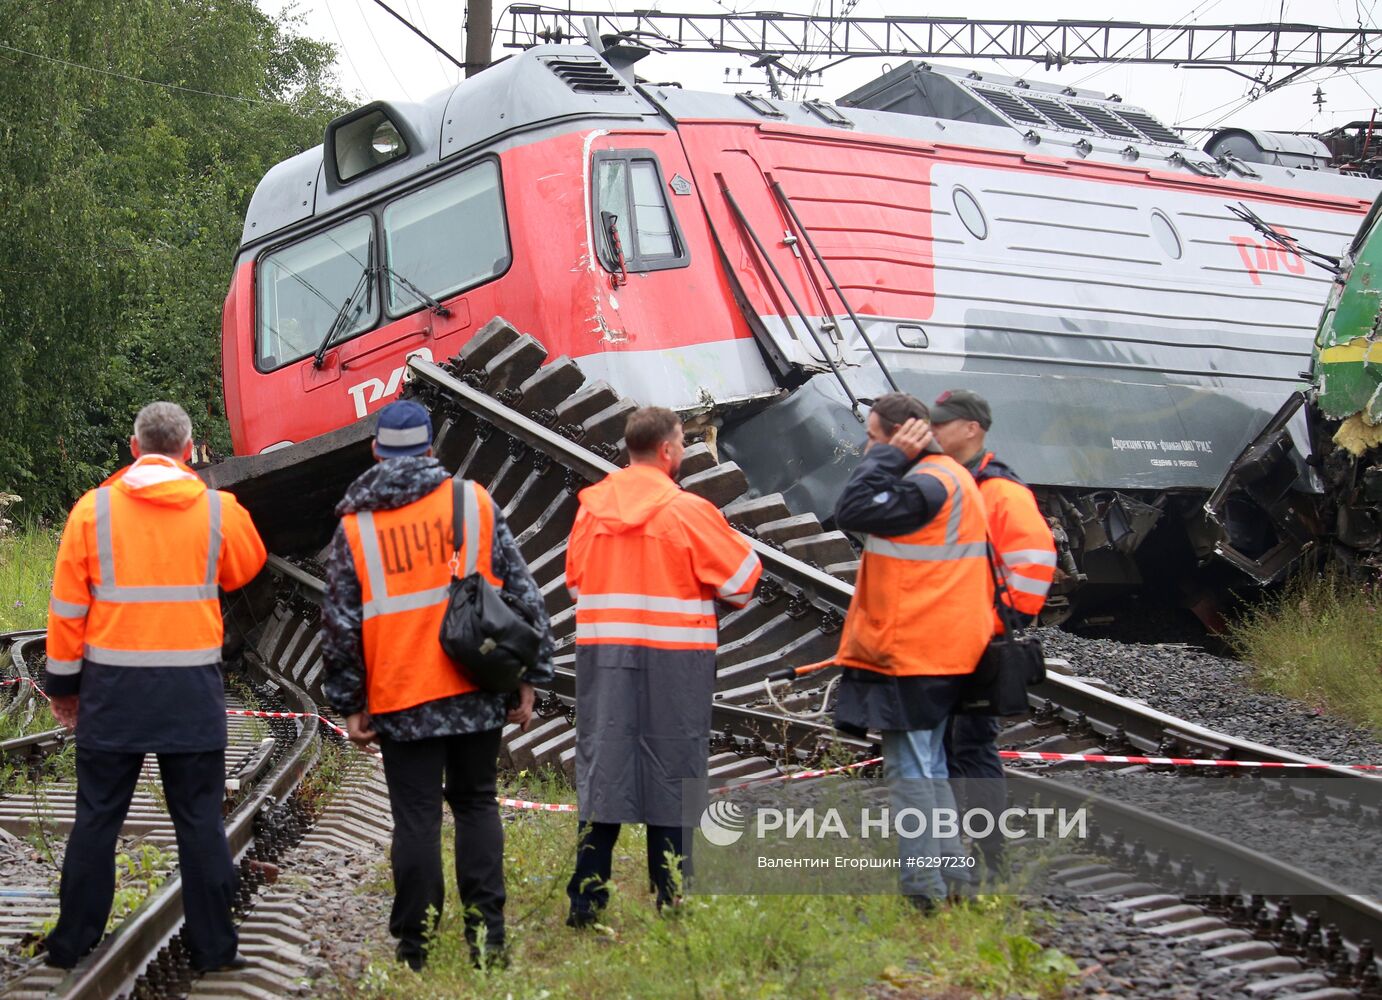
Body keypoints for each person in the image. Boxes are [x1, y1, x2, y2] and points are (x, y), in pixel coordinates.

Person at [321, 399, 553, 971]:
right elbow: (523, 594)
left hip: (401, 697)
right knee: (476, 804)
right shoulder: (472, 503)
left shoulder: (356, 528)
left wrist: (350, 702)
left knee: (417, 820)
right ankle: (487, 941)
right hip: (476, 686)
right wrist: (531, 674)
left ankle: (415, 948)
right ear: (430, 449)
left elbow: (340, 626)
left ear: (376, 452)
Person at [43, 402, 267, 972]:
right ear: (189, 451)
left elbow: (67, 610)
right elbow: (247, 567)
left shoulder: (92, 511)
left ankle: (71, 945)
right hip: (189, 692)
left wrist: (63, 685)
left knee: (97, 817)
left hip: (112, 692)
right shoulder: (217, 509)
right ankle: (214, 950)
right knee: (199, 821)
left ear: (133, 447)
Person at [564, 406, 761, 928]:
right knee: (674, 772)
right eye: (683, 444)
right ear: (669, 450)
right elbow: (742, 581)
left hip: (606, 660)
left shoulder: (592, 509)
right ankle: (672, 898)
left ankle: (586, 902)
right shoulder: (689, 512)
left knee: (605, 771)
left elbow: (576, 585)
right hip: (675, 664)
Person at [831, 392, 993, 911]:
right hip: (943, 645)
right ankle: (956, 881)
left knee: (910, 772)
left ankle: (923, 891)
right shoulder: (951, 478)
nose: (868, 448)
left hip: (915, 649)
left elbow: (850, 510)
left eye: (873, 438)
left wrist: (887, 457)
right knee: (930, 766)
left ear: (904, 436)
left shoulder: (927, 484)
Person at [930, 389, 1057, 868]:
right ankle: (951, 854)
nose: (934, 431)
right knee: (942, 745)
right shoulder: (946, 481)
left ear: (972, 428)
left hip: (976, 640)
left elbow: (1035, 561)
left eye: (942, 423)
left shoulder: (999, 490)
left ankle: (989, 856)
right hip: (939, 637)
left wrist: (997, 621)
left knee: (970, 745)